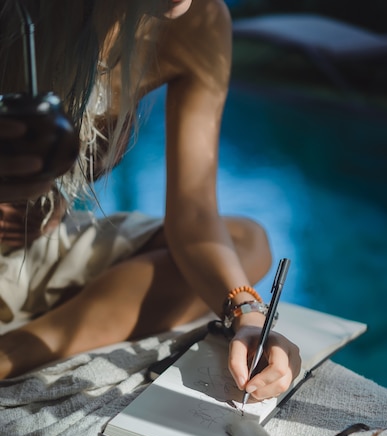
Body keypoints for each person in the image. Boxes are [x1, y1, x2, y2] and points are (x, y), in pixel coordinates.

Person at [0, 0, 301, 400]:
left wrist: (247, 314)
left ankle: (17, 349)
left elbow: (193, 214)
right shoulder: (22, 16)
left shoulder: (199, 22)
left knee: (248, 243)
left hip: (41, 243)